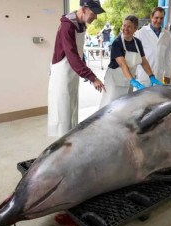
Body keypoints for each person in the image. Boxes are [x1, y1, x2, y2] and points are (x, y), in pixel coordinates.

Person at [48, 0, 106, 137]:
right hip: (62, 73)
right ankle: (62, 146)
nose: (96, 17)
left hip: (72, 72)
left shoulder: (81, 25)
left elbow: (78, 52)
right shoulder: (67, 26)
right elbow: (72, 56)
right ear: (84, 9)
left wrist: (84, 68)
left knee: (72, 107)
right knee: (63, 112)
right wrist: (92, 77)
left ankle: (70, 140)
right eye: (94, 13)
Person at [99, 15, 160, 108]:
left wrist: (151, 76)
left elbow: (143, 61)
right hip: (115, 82)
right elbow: (123, 64)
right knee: (110, 107)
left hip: (128, 81)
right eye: (124, 26)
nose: (125, 29)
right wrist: (133, 81)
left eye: (129, 27)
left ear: (135, 29)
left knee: (124, 108)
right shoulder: (117, 43)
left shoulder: (137, 43)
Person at [135, 7, 171, 86]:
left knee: (156, 97)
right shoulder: (141, 33)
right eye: (156, 18)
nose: (159, 21)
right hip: (144, 75)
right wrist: (134, 74)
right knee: (143, 97)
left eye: (161, 18)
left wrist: (167, 74)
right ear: (151, 17)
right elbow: (135, 55)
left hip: (158, 75)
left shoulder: (166, 34)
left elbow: (168, 56)